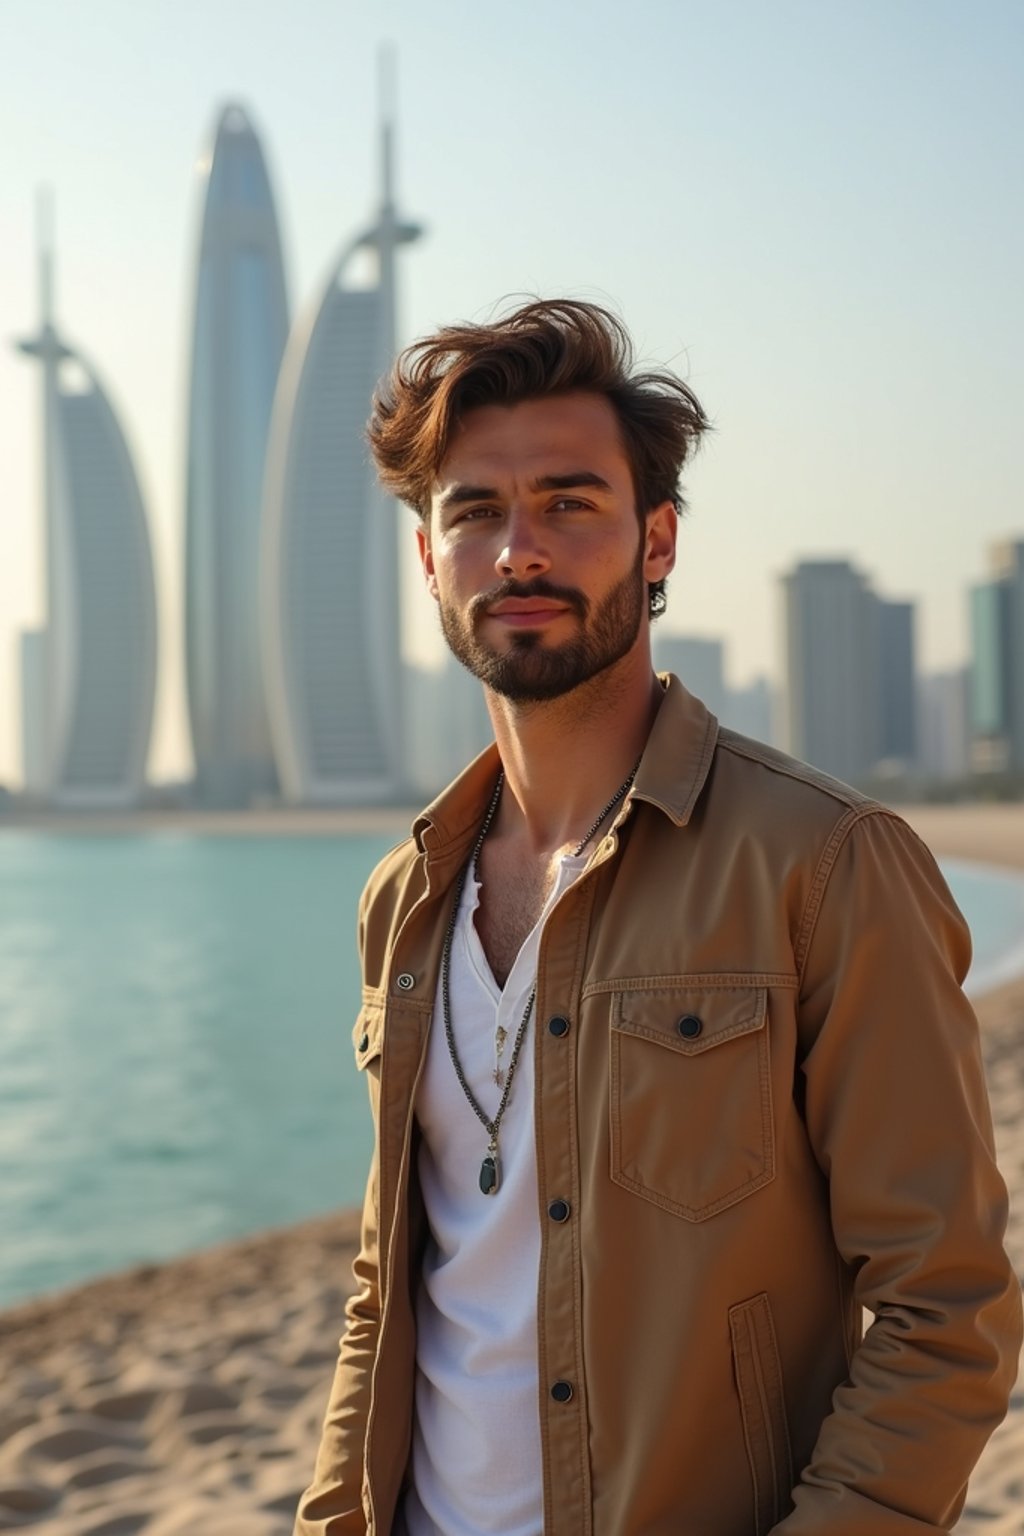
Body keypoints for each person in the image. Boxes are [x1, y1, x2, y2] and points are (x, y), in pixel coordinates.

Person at [294, 300, 1022, 1536]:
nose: (519, 550)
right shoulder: (402, 897)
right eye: (474, 510)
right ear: (428, 557)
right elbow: (390, 1287)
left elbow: (943, 1312)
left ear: (657, 541)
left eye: (570, 503)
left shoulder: (826, 865)